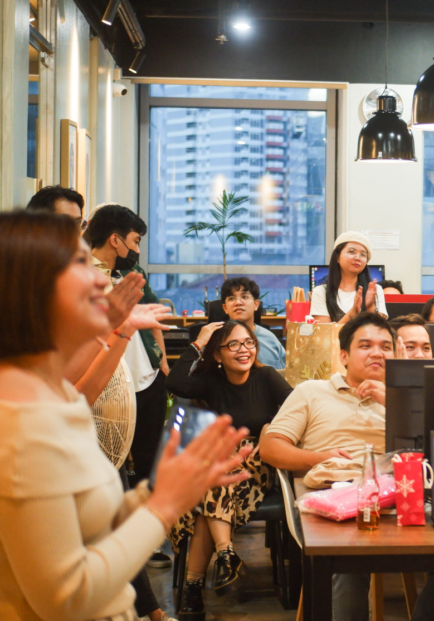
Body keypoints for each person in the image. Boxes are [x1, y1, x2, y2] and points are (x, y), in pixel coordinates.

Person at [0, 211, 250, 621]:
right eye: (80, 263)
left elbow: (93, 525)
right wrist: (165, 505)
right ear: (30, 289)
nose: (102, 279)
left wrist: (171, 487)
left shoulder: (51, 392)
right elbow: (68, 597)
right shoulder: (21, 426)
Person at [259, 312, 434, 621]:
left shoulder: (409, 398)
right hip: (336, 501)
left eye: (385, 346)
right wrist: (322, 457)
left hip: (403, 497)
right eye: (365, 345)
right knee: (349, 561)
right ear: (343, 355)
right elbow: (270, 447)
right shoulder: (311, 392)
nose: (377, 352)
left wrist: (395, 400)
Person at [166, 320, 293, 617]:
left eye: (248, 342)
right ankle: (224, 555)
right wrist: (201, 341)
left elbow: (297, 409)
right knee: (210, 490)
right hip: (219, 464)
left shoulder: (267, 377)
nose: (243, 350)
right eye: (233, 344)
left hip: (255, 466)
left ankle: (194, 587)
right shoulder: (212, 380)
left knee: (207, 492)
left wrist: (271, 429)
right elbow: (174, 383)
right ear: (218, 355)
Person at [85, 206, 171, 502]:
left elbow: (152, 313)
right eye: (134, 241)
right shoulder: (82, 274)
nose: (136, 249)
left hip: (147, 377)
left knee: (149, 459)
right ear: (114, 240)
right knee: (112, 464)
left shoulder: (132, 272)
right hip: (107, 387)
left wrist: (162, 361)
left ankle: (151, 539)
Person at [311, 232, 387, 324]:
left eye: (363, 255)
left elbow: (380, 330)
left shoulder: (376, 290)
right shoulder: (321, 291)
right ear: (337, 257)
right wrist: (353, 312)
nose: (358, 258)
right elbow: (325, 335)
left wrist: (370, 307)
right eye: (351, 251)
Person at [215, 276, 286, 369]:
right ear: (225, 308)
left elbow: (287, 375)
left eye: (244, 297)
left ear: (256, 304)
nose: (238, 302)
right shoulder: (215, 339)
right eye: (231, 298)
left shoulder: (270, 339)